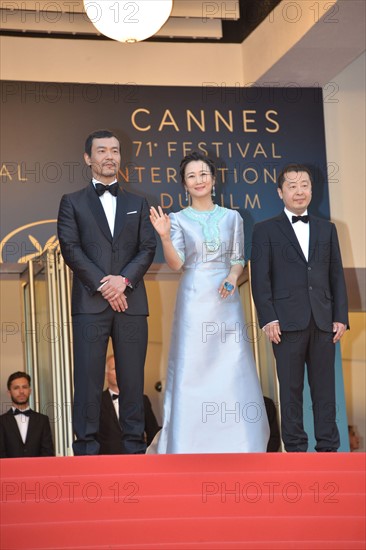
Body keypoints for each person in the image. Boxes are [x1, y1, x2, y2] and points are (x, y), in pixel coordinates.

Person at [148, 151, 269, 453]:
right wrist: (164, 237)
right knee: (193, 364)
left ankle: (240, 441)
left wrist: (232, 276)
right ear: (184, 184)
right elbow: (177, 264)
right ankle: (187, 442)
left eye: (203, 174)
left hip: (226, 299)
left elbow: (239, 258)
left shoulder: (233, 217)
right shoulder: (176, 219)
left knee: (232, 363)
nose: (198, 180)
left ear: (214, 179)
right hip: (193, 298)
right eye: (191, 176)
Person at [57, 129, 156, 456]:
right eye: (102, 151)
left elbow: (147, 248)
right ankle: (84, 449)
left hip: (131, 303)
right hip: (90, 303)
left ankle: (133, 450)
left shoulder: (138, 202)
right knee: (87, 380)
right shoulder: (71, 202)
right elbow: (71, 250)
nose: (109, 156)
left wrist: (123, 281)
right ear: (89, 158)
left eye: (114, 150)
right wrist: (105, 284)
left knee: (131, 381)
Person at [251, 164, 349, 453]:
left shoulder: (327, 229)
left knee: (324, 391)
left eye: (304, 184)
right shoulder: (264, 230)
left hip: (323, 322)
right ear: (280, 192)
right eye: (292, 186)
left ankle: (329, 449)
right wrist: (268, 318)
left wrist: (341, 317)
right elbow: (260, 279)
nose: (299, 191)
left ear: (311, 189)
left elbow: (336, 276)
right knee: (291, 390)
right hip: (285, 324)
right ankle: (294, 450)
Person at [97, 355, 160, 454]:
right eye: (114, 368)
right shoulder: (97, 401)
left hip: (136, 462)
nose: (119, 372)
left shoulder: (142, 400)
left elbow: (153, 434)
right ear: (106, 375)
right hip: (106, 464)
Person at [0, 372, 54, 458]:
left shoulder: (42, 420)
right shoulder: (1, 421)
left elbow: (48, 454)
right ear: (9, 393)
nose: (21, 391)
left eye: (24, 387)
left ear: (30, 391)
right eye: (16, 388)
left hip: (37, 470)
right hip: (9, 471)